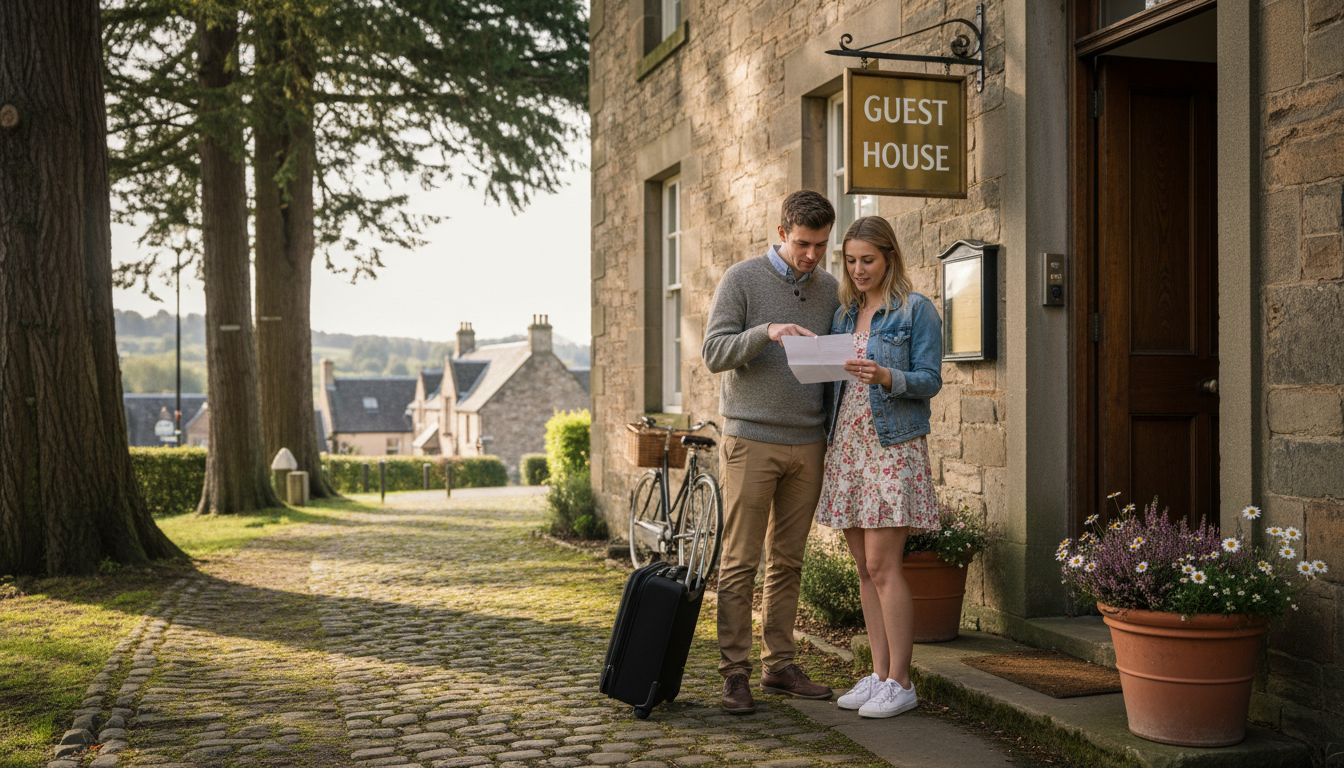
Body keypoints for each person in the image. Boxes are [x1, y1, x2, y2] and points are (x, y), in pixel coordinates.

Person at [701, 190, 841, 714]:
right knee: (740, 562)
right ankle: (734, 673)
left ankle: (778, 664)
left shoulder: (830, 289)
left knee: (789, 561)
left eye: (821, 245)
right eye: (804, 244)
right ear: (782, 233)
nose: (811, 256)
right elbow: (714, 352)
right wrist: (766, 332)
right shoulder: (741, 279)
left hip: (808, 442)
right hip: (750, 440)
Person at [815, 215, 942, 719]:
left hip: (891, 448)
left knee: (885, 567)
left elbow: (930, 379)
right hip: (848, 447)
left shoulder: (916, 310)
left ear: (890, 256)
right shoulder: (844, 315)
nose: (858, 269)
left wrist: (888, 375)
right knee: (864, 570)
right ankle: (879, 671)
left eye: (867, 259)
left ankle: (902, 681)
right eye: (850, 260)